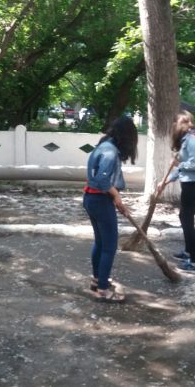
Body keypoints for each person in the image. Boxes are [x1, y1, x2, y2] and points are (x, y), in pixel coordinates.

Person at [83, 116, 138, 302]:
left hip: (92, 199)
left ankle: (97, 280)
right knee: (109, 246)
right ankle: (103, 290)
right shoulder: (110, 151)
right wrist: (116, 196)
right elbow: (101, 180)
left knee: (100, 242)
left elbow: (99, 180)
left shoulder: (104, 145)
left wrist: (115, 198)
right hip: (100, 200)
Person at [157, 110, 195, 275]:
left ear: (179, 124)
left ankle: (194, 264)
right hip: (192, 182)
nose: (173, 127)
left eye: (175, 123)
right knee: (184, 217)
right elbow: (185, 167)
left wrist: (177, 164)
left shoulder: (194, 139)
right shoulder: (188, 138)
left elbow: (194, 165)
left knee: (187, 220)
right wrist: (166, 180)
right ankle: (188, 252)